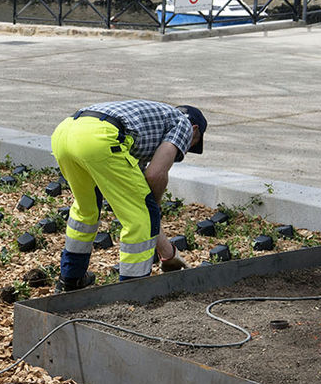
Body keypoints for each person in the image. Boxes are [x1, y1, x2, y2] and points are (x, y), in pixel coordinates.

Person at [50, 100, 207, 291]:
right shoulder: (183, 124)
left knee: (86, 210)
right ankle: (131, 294)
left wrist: (168, 254)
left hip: (65, 133)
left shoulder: (146, 128)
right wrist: (153, 210)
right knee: (141, 218)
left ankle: (70, 280)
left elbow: (137, 191)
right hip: (101, 139)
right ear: (195, 129)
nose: (185, 149)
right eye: (192, 145)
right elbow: (155, 175)